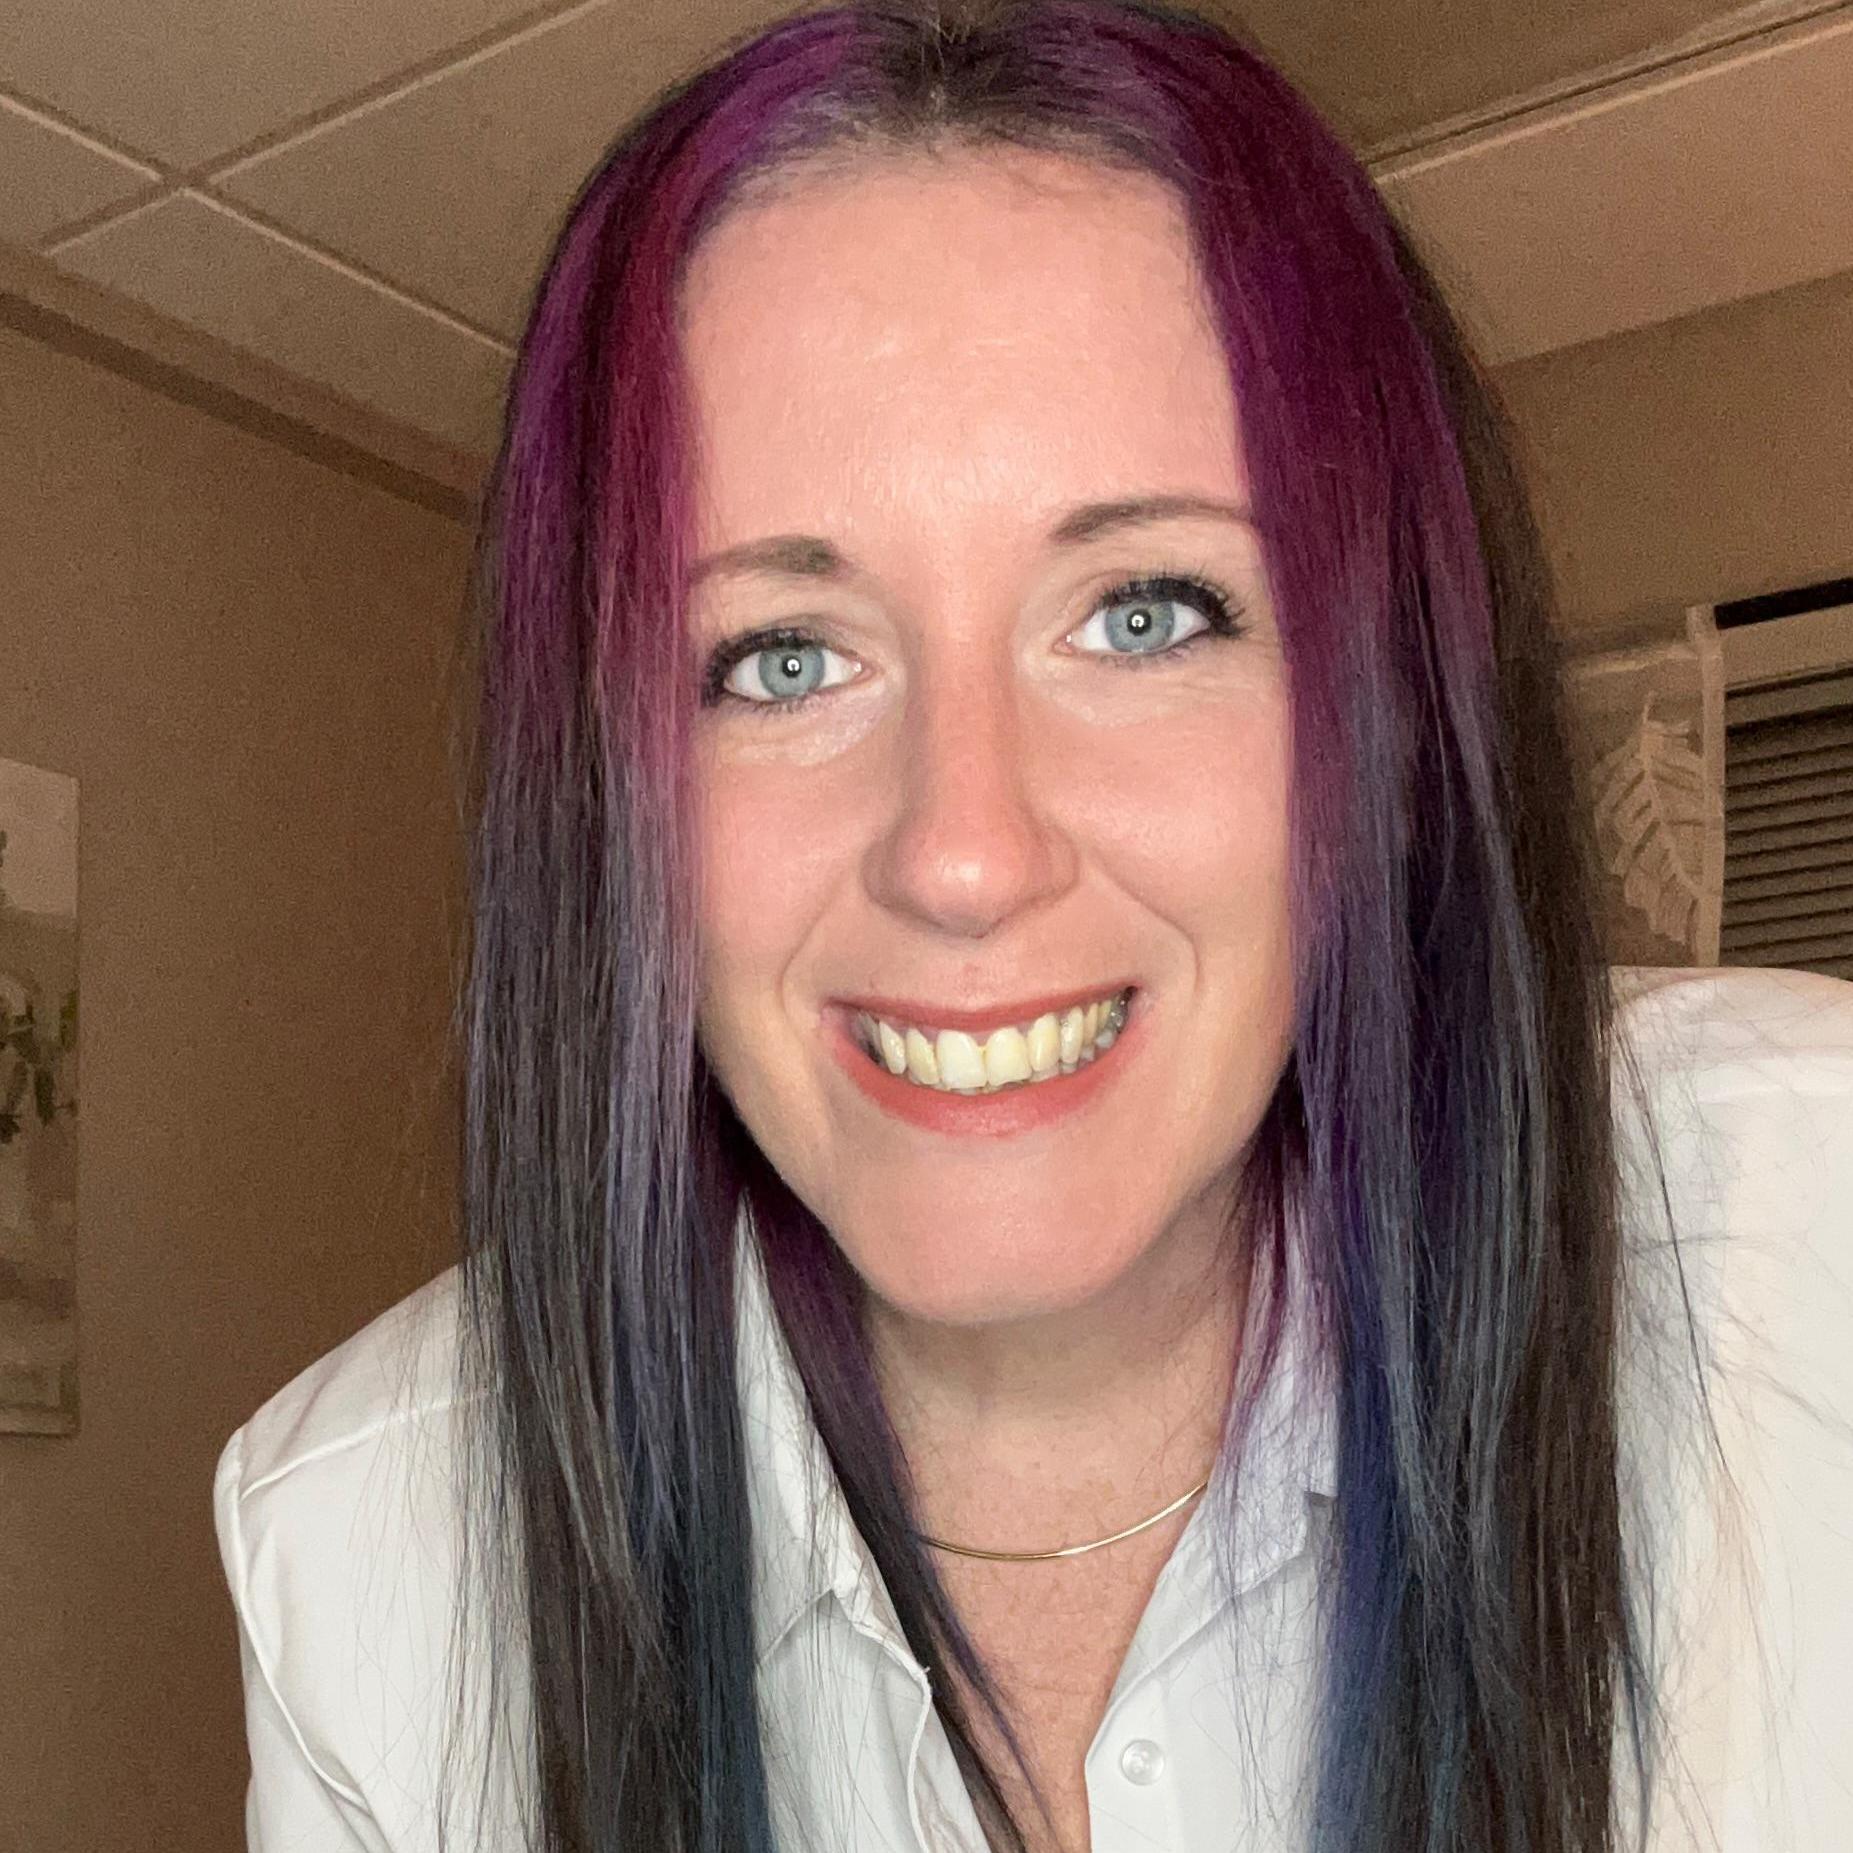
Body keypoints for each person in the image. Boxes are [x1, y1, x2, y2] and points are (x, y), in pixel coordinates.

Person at [211, 2, 1853, 1850]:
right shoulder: (363, 1545)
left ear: (1384, 706)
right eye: (780, 657)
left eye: (1145, 613)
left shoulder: (1813, 1245)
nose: (964, 855)